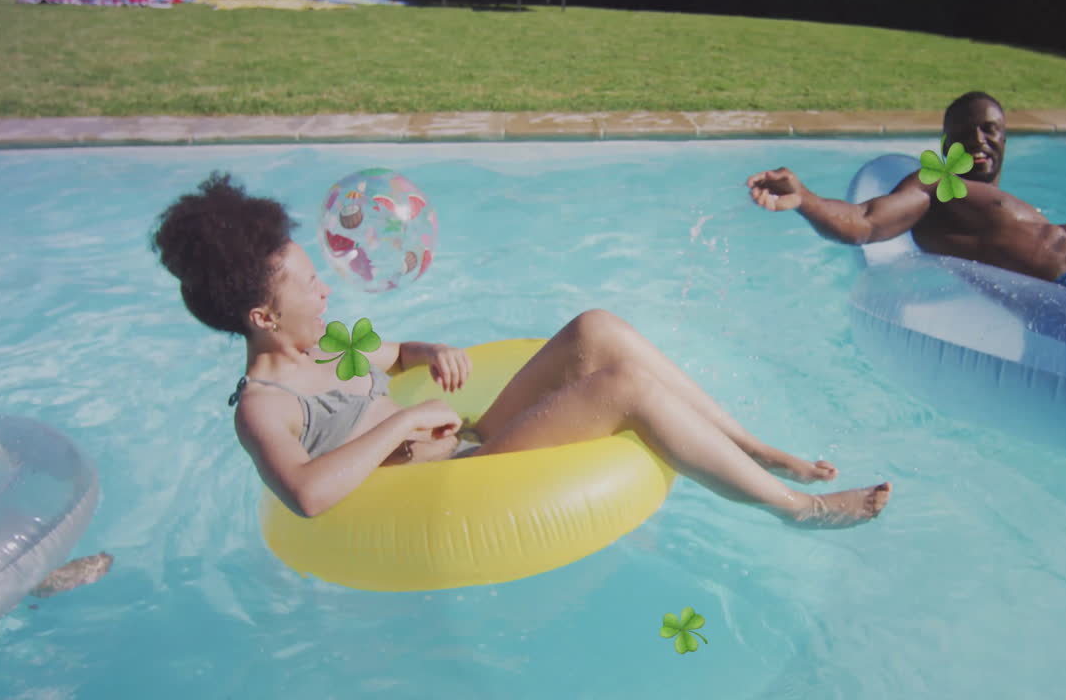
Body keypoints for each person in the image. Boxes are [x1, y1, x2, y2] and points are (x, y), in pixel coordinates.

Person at [150, 173, 890, 529]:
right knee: (623, 386)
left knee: (596, 328)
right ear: (262, 315)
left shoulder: (324, 348)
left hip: (470, 443)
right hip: (453, 488)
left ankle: (757, 448)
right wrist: (403, 425)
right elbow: (307, 496)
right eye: (311, 285)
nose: (328, 291)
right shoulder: (265, 408)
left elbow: (392, 353)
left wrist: (426, 349)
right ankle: (801, 507)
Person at [747, 91, 1066, 347]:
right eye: (967, 130)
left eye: (993, 131)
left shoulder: (992, 204)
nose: (980, 139)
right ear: (944, 143)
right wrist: (807, 198)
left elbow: (1063, 238)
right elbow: (866, 221)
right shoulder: (936, 184)